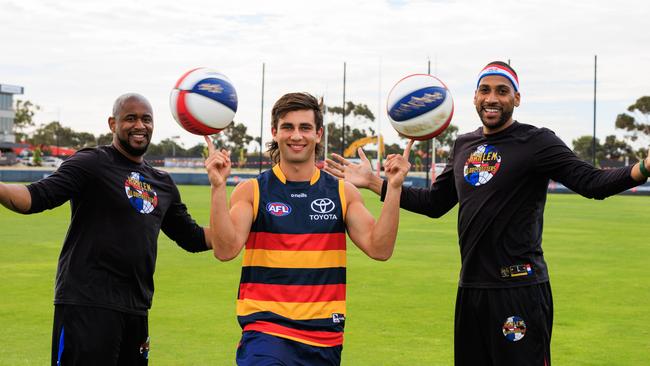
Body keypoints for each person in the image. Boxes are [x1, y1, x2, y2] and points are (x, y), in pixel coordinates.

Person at [324, 61, 650, 366]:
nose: (492, 98)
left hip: (519, 288)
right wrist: (376, 183)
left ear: (516, 98)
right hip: (471, 289)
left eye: (501, 91)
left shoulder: (537, 142)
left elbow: (590, 182)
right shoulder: (463, 145)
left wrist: (644, 167)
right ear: (475, 97)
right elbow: (435, 204)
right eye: (485, 90)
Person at [0, 93, 215, 366]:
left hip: (136, 309)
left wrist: (226, 202)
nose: (140, 125)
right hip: (87, 305)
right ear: (113, 124)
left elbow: (193, 238)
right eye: (131, 118)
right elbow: (35, 197)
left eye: (146, 119)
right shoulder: (91, 163)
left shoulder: (161, 182)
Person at [203, 92, 411, 365]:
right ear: (275, 132)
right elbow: (225, 250)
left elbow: (380, 248)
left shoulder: (342, 193)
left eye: (305, 128)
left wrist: (393, 188)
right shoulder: (251, 191)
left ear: (319, 134)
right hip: (266, 331)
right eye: (288, 127)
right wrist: (218, 187)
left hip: (324, 337)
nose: (296, 136)